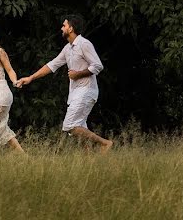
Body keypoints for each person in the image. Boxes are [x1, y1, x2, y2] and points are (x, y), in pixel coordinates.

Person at [15, 13, 113, 152]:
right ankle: (90, 160)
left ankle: (105, 144)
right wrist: (30, 78)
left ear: (71, 28)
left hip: (86, 90)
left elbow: (97, 66)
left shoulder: (84, 44)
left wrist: (77, 74)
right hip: (76, 93)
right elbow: (52, 65)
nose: (61, 28)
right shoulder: (68, 48)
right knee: (79, 129)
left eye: (64, 25)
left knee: (70, 126)